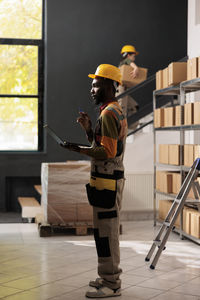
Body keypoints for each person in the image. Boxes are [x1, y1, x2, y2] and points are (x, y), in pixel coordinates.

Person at [60, 64, 127, 298]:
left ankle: (112, 283)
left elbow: (106, 153)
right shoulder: (111, 110)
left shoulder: (109, 113)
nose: (92, 89)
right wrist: (89, 130)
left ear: (110, 86)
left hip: (108, 180)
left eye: (96, 84)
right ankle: (106, 275)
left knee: (107, 233)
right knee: (102, 232)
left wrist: (77, 149)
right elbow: (103, 146)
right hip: (106, 181)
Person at [117, 45, 139, 128]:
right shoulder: (126, 61)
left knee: (134, 106)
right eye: (134, 55)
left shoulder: (122, 64)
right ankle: (121, 128)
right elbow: (134, 66)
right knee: (122, 110)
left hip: (123, 90)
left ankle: (133, 126)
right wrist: (136, 69)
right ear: (128, 55)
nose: (134, 58)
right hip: (121, 90)